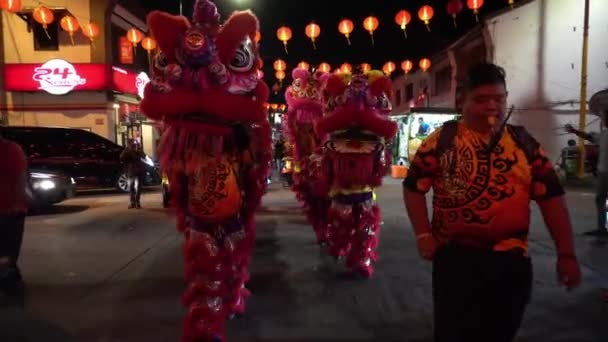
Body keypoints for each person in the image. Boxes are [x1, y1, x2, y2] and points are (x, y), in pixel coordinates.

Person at [403, 62, 581, 342]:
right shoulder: (442, 141)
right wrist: (423, 235)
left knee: (499, 333)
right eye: (481, 100)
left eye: (499, 99)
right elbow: (413, 188)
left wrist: (567, 254)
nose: (492, 107)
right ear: (463, 100)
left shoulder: (525, 144)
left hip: (510, 264)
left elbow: (552, 200)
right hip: (454, 262)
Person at [565, 114, 608, 236]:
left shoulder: (605, 134)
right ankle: (603, 228)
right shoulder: (604, 134)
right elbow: (590, 137)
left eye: (605, 117)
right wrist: (574, 131)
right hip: (602, 172)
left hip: (605, 173)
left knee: (602, 200)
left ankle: (603, 228)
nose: (603, 120)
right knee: (602, 200)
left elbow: (590, 137)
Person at [0, 133, 28, 299]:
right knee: (9, 248)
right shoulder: (11, 149)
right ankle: (8, 277)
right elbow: (20, 178)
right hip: (10, 210)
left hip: (10, 208)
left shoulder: (11, 150)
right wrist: (20, 200)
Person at [120, 139, 145, 209]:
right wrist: (127, 149)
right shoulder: (127, 151)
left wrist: (139, 149)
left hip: (139, 170)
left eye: (134, 144)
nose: (134, 145)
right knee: (131, 187)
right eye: (132, 144)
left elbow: (144, 156)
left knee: (138, 187)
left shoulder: (139, 150)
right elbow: (121, 157)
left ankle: (137, 202)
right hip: (132, 171)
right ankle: (133, 202)